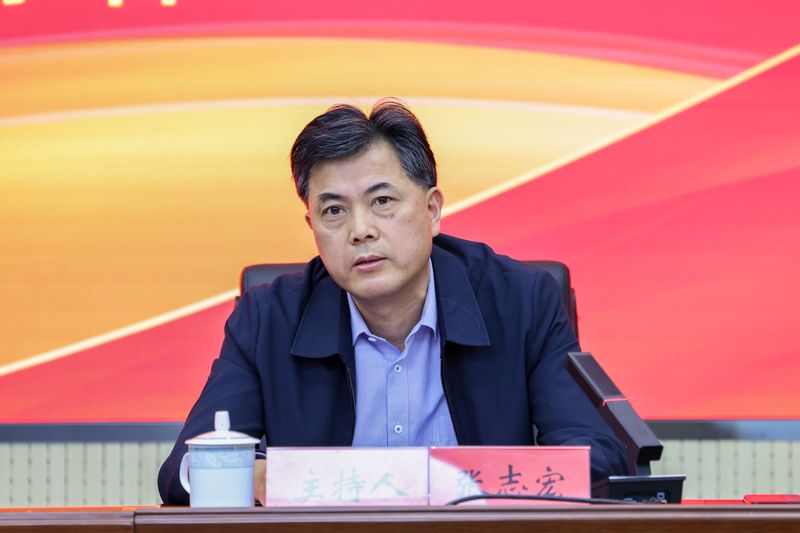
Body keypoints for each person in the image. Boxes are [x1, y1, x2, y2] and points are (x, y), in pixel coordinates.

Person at [158, 99, 627, 505]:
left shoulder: (522, 302)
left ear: (432, 210)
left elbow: (598, 456)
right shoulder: (268, 319)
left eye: (382, 201)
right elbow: (182, 471)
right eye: (334, 210)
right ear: (312, 227)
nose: (360, 230)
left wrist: (450, 482)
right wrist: (256, 476)